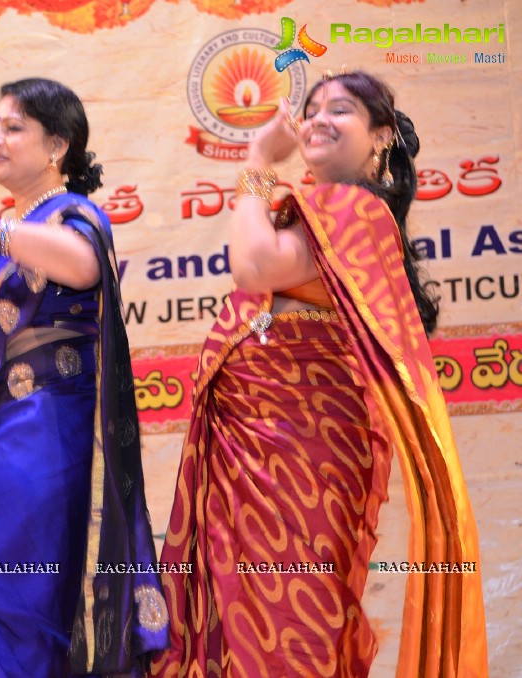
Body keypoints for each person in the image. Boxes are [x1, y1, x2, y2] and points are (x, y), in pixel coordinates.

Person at [150, 71, 487, 676]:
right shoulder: (309, 214)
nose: (320, 119)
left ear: (380, 137)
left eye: (343, 109)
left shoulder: (358, 209)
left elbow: (253, 266)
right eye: (312, 109)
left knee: (289, 632)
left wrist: (256, 160)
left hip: (302, 455)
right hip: (250, 450)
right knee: (243, 631)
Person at [0, 78, 168, 676]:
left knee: (16, 596)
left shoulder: (76, 217)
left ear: (57, 147)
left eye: (13, 127)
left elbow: (82, 264)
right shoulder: (21, 230)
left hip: (44, 439)